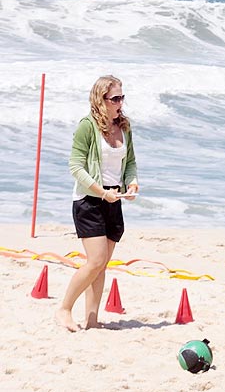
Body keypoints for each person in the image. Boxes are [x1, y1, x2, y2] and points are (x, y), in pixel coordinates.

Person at [55, 75, 139, 332]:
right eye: (115, 98)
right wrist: (101, 192)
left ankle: (92, 319)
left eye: (122, 97)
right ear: (100, 100)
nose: (119, 103)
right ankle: (64, 309)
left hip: (114, 201)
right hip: (89, 201)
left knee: (101, 264)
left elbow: (131, 163)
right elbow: (75, 166)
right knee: (95, 260)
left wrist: (132, 182)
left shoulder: (124, 127)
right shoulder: (86, 126)